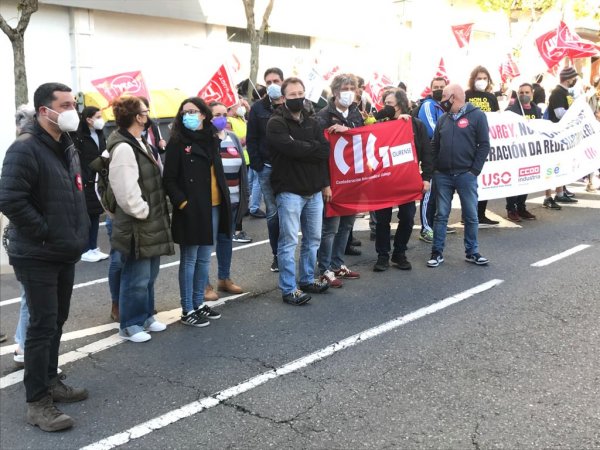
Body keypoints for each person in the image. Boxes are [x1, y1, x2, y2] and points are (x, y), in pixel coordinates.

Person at [0, 82, 90, 431]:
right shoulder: (24, 148)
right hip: (37, 253)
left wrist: (75, 232)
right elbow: (10, 199)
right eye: (65, 105)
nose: (72, 110)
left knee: (56, 320)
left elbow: (72, 192)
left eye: (73, 104)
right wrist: (45, 231)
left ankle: (51, 381)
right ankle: (37, 402)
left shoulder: (65, 144)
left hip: (62, 249)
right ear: (44, 111)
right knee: (41, 325)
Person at [107, 96, 174, 342]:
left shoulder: (138, 141)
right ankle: (130, 324)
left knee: (149, 274)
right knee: (136, 276)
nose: (148, 115)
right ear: (137, 117)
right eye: (145, 111)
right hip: (139, 221)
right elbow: (125, 189)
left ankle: (146, 316)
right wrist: (143, 211)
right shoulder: (124, 147)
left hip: (150, 219)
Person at [163, 97, 226, 326]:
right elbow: (169, 179)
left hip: (213, 205)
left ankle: (198, 303)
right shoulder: (177, 142)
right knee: (190, 259)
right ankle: (187, 308)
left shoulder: (211, 139)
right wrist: (183, 204)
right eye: (184, 112)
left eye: (192, 111)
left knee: (204, 258)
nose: (188, 115)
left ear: (203, 114)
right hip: (191, 207)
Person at [267, 77, 330, 305]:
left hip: (314, 190)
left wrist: (324, 182)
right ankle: (288, 289)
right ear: (283, 97)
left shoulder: (313, 122)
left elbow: (324, 152)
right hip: (289, 191)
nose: (297, 98)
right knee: (289, 241)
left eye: (300, 93)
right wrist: (311, 148)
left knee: (313, 239)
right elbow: (290, 149)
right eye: (292, 94)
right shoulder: (276, 123)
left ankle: (307, 279)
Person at [427, 83, 490, 268]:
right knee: (441, 215)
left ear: (453, 97)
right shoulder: (443, 119)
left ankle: (472, 252)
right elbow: (434, 145)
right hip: (443, 175)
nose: (442, 101)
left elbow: (484, 145)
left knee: (471, 215)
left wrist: (474, 171)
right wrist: (435, 169)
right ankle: (437, 253)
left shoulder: (477, 116)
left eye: (444, 97)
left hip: (465, 175)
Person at [373, 89, 433, 272]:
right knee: (382, 220)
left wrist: (426, 178)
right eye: (385, 104)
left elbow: (427, 153)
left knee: (407, 217)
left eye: (390, 104)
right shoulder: (380, 124)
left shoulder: (416, 125)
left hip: (407, 180)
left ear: (400, 105)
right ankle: (382, 256)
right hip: (383, 181)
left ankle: (399, 253)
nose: (386, 107)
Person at [315, 74, 363, 288]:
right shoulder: (323, 116)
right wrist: (325, 183)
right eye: (345, 88)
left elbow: (363, 139)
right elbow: (320, 153)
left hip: (352, 180)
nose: (349, 92)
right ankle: (324, 268)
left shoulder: (355, 114)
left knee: (347, 225)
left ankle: (337, 264)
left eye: (352, 88)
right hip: (333, 180)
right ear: (335, 91)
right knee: (330, 227)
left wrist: (348, 130)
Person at [206, 100, 247, 298]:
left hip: (234, 198)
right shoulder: (206, 140)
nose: (221, 119)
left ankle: (224, 278)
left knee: (226, 240)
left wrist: (244, 195)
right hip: (214, 201)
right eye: (217, 115)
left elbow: (242, 168)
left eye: (224, 114)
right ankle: (204, 284)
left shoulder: (232, 137)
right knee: (207, 244)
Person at [247, 67, 285, 272]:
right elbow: (252, 138)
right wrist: (258, 166)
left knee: (294, 211)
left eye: (276, 81)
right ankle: (277, 255)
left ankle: (291, 252)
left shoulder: (293, 103)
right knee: (273, 214)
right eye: (269, 82)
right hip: (267, 168)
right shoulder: (258, 108)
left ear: (283, 81)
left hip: (291, 169)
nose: (273, 85)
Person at [73, 106, 110, 263]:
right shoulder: (79, 136)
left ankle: (93, 247)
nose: (101, 120)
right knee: (87, 216)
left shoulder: (100, 134)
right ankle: (86, 249)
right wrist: (85, 176)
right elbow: (77, 159)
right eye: (98, 117)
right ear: (88, 119)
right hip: (86, 180)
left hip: (98, 179)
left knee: (95, 214)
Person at [464, 65, 500, 227]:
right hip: (468, 142)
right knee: (470, 180)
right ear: (473, 80)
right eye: (479, 78)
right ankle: (468, 214)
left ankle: (481, 213)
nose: (482, 81)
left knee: (486, 179)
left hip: (485, 142)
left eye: (485, 78)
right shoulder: (466, 95)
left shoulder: (491, 97)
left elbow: (498, 118)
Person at [417, 76, 448, 243]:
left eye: (442, 87)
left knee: (440, 192)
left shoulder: (444, 106)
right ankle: (426, 228)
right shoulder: (429, 105)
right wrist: (452, 135)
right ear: (430, 89)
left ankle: (436, 224)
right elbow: (432, 129)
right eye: (436, 87)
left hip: (443, 154)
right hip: (432, 154)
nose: (439, 89)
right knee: (429, 193)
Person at [504, 83, 541, 221]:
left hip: (530, 151)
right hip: (516, 152)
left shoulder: (537, 110)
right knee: (514, 180)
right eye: (521, 92)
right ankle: (511, 208)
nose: (524, 95)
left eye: (527, 92)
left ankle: (521, 207)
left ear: (532, 94)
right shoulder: (511, 111)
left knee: (527, 179)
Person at [545, 66, 580, 205]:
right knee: (552, 165)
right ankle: (548, 196)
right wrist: (575, 114)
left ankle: (560, 193)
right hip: (555, 134)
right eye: (573, 77)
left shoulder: (565, 92)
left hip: (562, 133)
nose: (575, 80)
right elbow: (559, 113)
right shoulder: (557, 92)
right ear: (568, 79)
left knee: (561, 164)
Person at [226, 98, 254, 243]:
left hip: (245, 160)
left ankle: (236, 229)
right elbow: (233, 140)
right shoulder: (228, 121)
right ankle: (235, 230)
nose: (241, 105)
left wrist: (248, 108)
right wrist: (250, 135)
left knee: (243, 195)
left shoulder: (241, 119)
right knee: (236, 197)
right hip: (233, 162)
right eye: (239, 103)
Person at [586, 76, 600, 192]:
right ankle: (590, 183)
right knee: (592, 155)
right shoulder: (592, 96)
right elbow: (590, 114)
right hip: (594, 129)